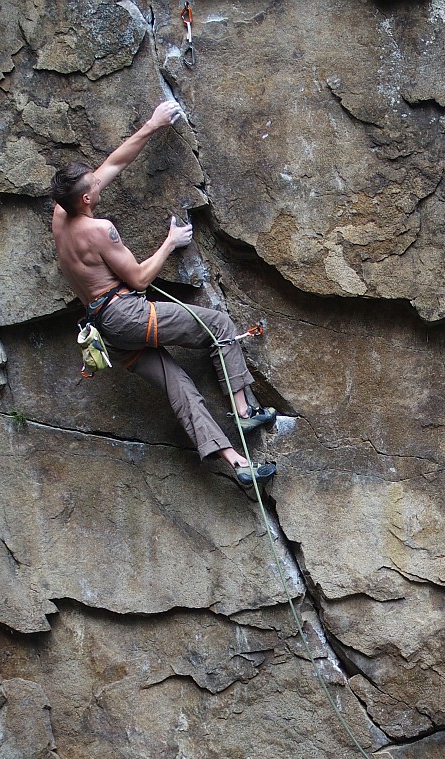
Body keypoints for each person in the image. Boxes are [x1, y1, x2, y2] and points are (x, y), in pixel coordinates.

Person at [50, 100, 276, 488]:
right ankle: (243, 411)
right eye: (93, 185)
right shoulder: (99, 230)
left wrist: (152, 125)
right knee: (219, 325)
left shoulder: (61, 216)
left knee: (179, 386)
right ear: (86, 199)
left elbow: (114, 163)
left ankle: (237, 462)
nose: (99, 181)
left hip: (106, 331)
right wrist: (171, 241)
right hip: (127, 314)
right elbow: (138, 279)